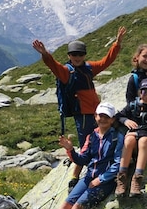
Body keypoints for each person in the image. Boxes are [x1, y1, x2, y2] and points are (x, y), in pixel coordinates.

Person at [32, 26, 126, 191]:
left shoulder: (89, 68)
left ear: (84, 55)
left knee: (99, 143)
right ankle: (76, 178)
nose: (77, 57)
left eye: (80, 54)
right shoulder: (67, 72)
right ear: (69, 56)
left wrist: (117, 43)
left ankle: (90, 171)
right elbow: (53, 65)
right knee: (87, 147)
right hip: (82, 115)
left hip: (97, 113)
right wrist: (45, 54)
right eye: (74, 54)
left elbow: (106, 61)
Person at [43, 102, 124, 209]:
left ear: (112, 119)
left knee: (77, 206)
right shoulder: (91, 137)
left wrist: (101, 179)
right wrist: (70, 150)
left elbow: (118, 164)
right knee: (68, 202)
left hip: (106, 182)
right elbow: (82, 160)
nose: (103, 119)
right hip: (88, 178)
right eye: (100, 115)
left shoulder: (117, 137)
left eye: (107, 117)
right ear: (95, 116)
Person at [114, 78, 147, 198]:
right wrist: (125, 120)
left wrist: (139, 134)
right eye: (144, 92)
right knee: (128, 139)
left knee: (142, 141)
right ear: (140, 92)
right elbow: (118, 116)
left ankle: (137, 178)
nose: (146, 96)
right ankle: (122, 176)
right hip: (135, 142)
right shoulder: (134, 105)